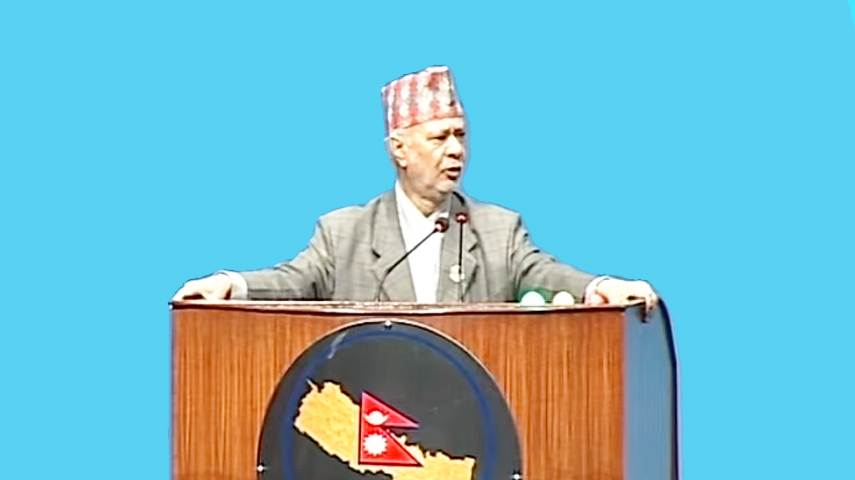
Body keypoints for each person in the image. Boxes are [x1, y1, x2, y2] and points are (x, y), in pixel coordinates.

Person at [172, 66, 658, 310]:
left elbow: (545, 273)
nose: (456, 150)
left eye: (461, 136)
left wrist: (601, 287)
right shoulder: (344, 233)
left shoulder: (498, 229)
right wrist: (232, 285)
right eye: (440, 138)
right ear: (400, 150)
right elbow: (293, 282)